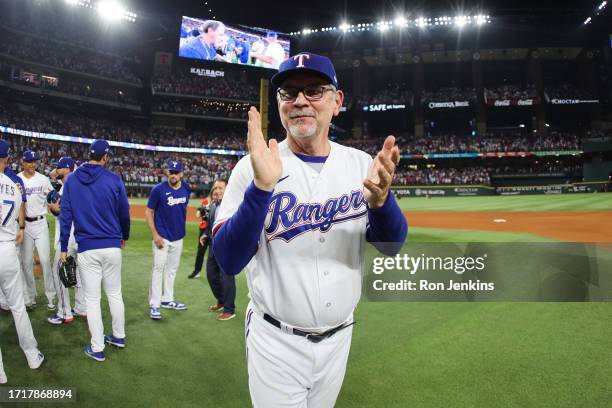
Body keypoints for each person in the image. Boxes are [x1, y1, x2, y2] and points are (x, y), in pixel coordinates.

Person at [212, 53, 407, 407]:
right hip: (275, 341)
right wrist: (260, 189)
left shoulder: (359, 164)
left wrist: (382, 205)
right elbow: (227, 259)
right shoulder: (252, 167)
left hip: (340, 337)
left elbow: (392, 246)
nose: (300, 100)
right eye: (289, 93)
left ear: (337, 102)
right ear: (279, 105)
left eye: (314, 90)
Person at [60, 139, 130, 362]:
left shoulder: (71, 180)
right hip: (111, 246)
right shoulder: (114, 179)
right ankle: (118, 336)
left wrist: (63, 247)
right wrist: (124, 236)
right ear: (105, 157)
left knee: (92, 299)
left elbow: (66, 216)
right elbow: (124, 214)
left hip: (87, 248)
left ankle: (97, 347)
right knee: (114, 294)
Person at [0, 140, 45, 384]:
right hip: (7, 250)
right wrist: (19, 228)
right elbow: (19, 215)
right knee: (18, 306)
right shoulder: (13, 186)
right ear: (7, 159)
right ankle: (32, 356)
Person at [145, 160, 190, 320]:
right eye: (171, 172)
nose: (173, 175)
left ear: (181, 174)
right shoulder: (158, 190)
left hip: (178, 237)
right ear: (167, 173)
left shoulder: (187, 188)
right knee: (158, 269)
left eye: (176, 172)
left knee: (172, 270)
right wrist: (155, 234)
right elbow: (149, 212)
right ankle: (154, 304)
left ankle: (167, 299)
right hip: (162, 237)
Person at [47, 157, 87, 325]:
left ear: (68, 169)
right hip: (81, 237)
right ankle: (81, 307)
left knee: (60, 273)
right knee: (79, 274)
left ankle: (64, 312)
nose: (57, 170)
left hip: (67, 238)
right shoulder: (81, 184)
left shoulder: (67, 187)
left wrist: (54, 209)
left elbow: (64, 213)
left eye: (60, 168)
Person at [18, 149, 55, 310]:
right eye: (29, 161)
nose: (32, 164)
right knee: (26, 263)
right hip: (24, 226)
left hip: (40, 224)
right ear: (23, 163)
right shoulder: (17, 179)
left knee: (46, 261)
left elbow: (53, 197)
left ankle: (51, 297)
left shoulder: (43, 179)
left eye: (34, 161)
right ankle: (30, 297)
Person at [203, 179, 235, 321]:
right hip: (213, 244)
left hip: (227, 245)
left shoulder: (233, 205)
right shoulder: (213, 206)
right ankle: (221, 301)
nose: (217, 191)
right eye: (215, 188)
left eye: (220, 188)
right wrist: (205, 235)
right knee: (211, 275)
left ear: (228, 189)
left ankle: (229, 309)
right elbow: (211, 226)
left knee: (226, 277)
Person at [189, 194, 211, 279]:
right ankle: (197, 271)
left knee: (216, 253)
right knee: (200, 251)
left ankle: (219, 273)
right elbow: (197, 215)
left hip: (216, 229)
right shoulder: (205, 201)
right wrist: (202, 210)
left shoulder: (222, 201)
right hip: (204, 229)